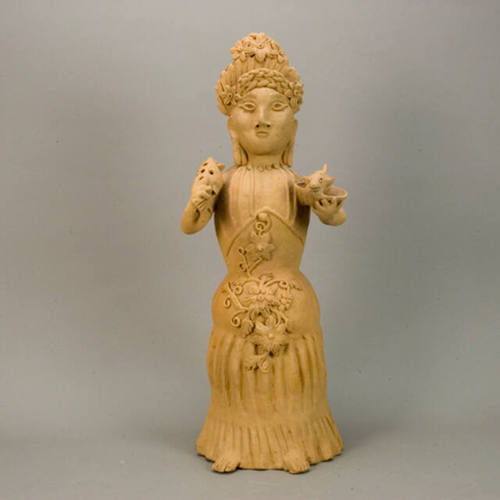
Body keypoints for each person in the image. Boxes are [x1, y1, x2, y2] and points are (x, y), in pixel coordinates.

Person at [181, 33, 347, 473]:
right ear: (230, 126)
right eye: (248, 108)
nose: (262, 121)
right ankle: (233, 441)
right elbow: (190, 226)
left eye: (276, 108)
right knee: (234, 374)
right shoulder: (224, 181)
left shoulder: (296, 184)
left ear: (293, 127)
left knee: (294, 376)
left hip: (293, 301)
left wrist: (325, 203)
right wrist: (199, 197)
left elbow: (333, 217)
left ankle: (295, 442)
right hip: (237, 301)